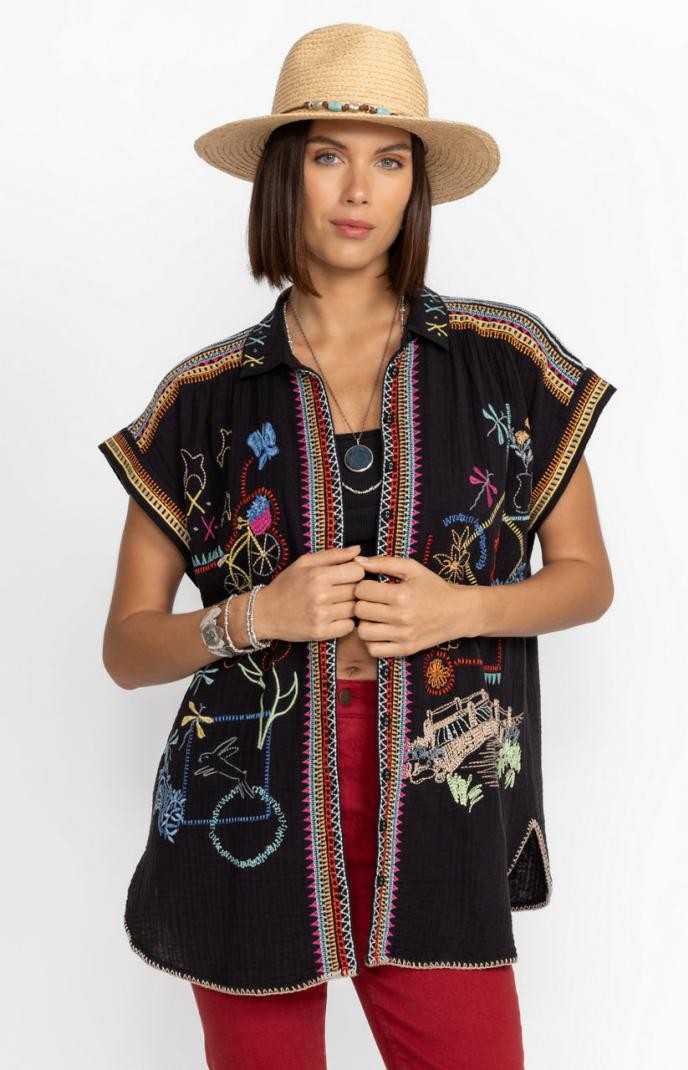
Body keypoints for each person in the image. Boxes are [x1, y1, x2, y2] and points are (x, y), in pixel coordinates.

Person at [97, 22, 617, 1070]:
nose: (358, 190)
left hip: (441, 790)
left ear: (416, 187)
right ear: (284, 176)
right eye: (329, 155)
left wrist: (460, 607)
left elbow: (587, 579)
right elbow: (127, 646)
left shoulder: (505, 361)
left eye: (390, 162)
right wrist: (257, 615)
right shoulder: (202, 398)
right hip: (249, 800)